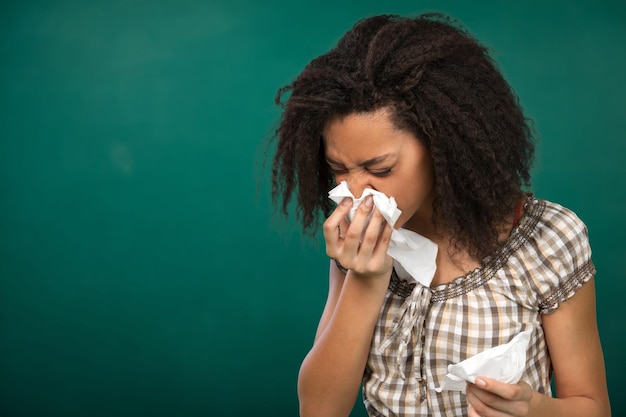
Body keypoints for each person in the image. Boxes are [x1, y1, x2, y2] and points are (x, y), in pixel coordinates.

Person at [269, 13, 610, 417]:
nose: (357, 193)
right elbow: (319, 411)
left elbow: (594, 408)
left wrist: (531, 408)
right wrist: (365, 279)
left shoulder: (547, 238)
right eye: (339, 169)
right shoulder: (357, 246)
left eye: (380, 170)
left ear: (443, 145)